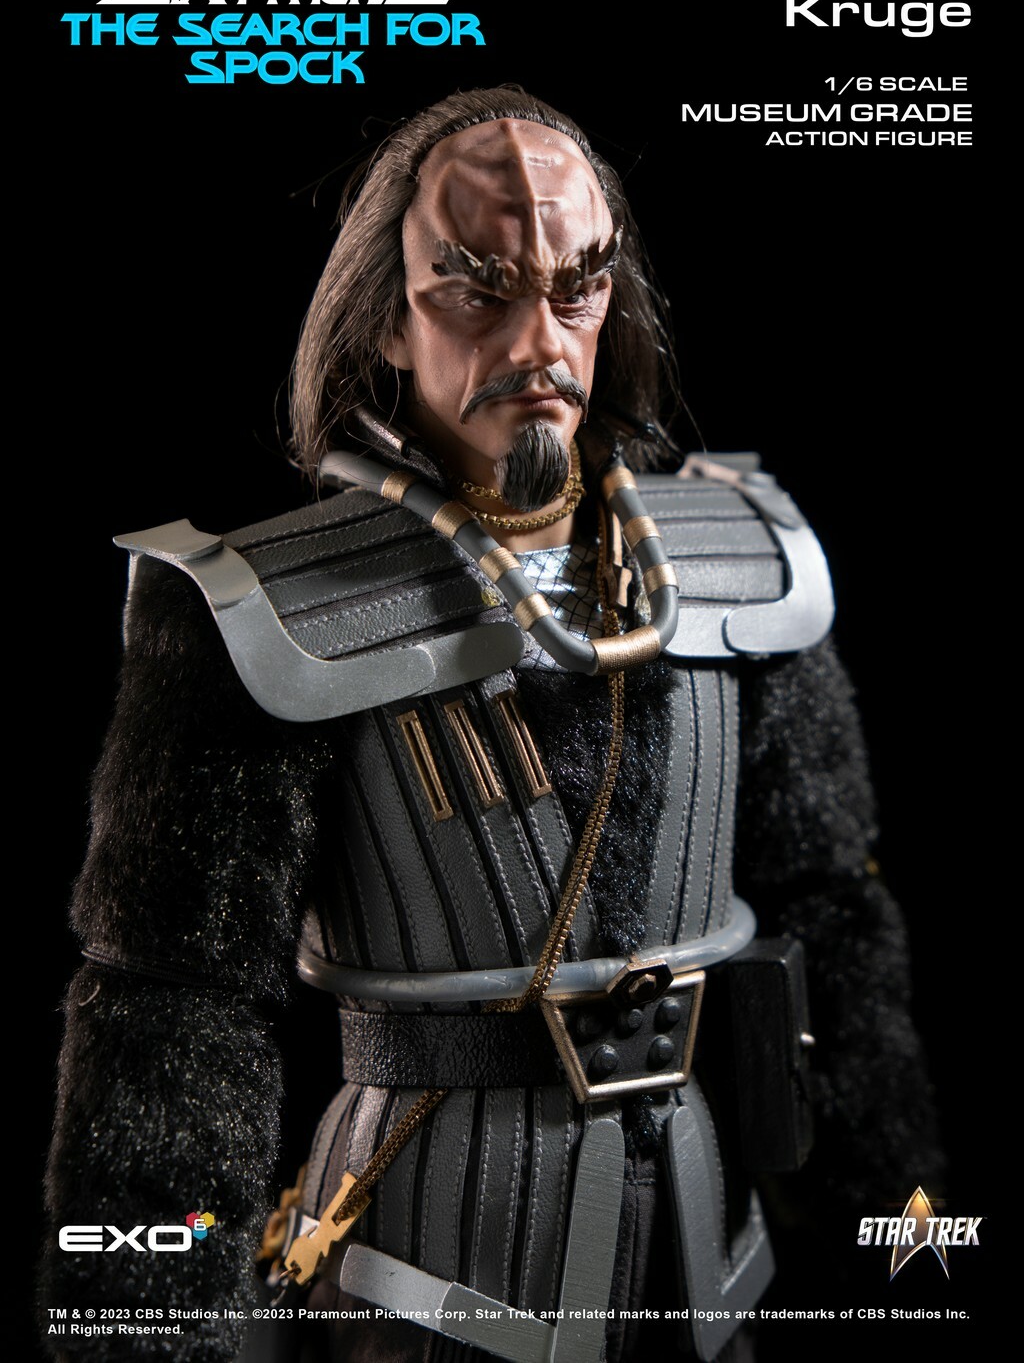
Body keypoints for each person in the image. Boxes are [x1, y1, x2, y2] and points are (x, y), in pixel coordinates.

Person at [42, 87, 941, 1363]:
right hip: (423, 1277)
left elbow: (831, 931)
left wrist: (902, 1262)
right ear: (387, 316)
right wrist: (145, 1334)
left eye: (578, 289)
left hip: (704, 1269)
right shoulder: (265, 611)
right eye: (478, 288)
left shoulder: (739, 563)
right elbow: (175, 1009)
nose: (539, 342)